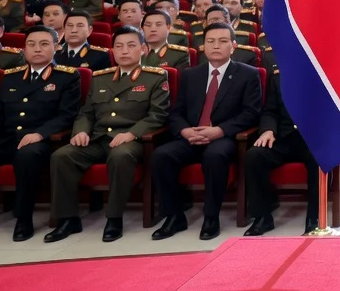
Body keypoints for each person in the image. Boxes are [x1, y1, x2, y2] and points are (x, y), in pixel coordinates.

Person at [0, 26, 80, 243]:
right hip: (7, 138)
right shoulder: (12, 77)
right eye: (31, 44)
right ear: (24, 48)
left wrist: (40, 134)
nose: (37, 49)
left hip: (41, 141)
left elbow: (67, 116)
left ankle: (23, 218)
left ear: (57, 47)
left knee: (26, 156)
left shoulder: (67, 77)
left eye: (44, 44)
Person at [47, 26, 170, 243]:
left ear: (142, 49)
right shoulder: (101, 78)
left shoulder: (155, 77)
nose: (124, 51)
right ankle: (68, 219)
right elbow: (86, 112)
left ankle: (114, 218)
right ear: (112, 50)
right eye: (119, 46)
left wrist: (132, 134)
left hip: (132, 139)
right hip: (98, 137)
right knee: (62, 156)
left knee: (120, 156)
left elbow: (157, 116)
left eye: (131, 46)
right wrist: (81, 131)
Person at [150, 23, 262, 241]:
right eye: (210, 41)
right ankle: (174, 215)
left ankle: (211, 217)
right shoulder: (191, 75)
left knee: (215, 156)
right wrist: (184, 131)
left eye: (222, 41)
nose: (216, 46)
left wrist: (219, 131)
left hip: (224, 137)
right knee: (161, 156)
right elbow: (177, 112)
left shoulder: (248, 74)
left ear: (233, 46)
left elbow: (251, 113)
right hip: (191, 136)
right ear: (203, 46)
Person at [242, 63, 319, 236]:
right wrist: (268, 130)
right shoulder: (278, 77)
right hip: (282, 138)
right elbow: (270, 111)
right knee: (254, 156)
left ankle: (314, 218)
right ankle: (263, 217)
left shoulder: (322, 77)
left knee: (319, 159)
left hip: (312, 140)